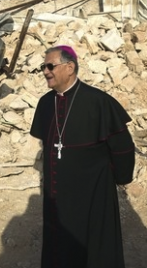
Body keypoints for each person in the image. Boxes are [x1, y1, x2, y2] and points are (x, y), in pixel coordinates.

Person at [30, 45, 135, 268]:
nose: (45, 71)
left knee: (95, 246)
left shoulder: (98, 101)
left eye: (50, 66)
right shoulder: (45, 103)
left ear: (70, 67)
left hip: (93, 192)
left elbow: (123, 146)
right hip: (57, 192)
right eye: (43, 67)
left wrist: (118, 179)